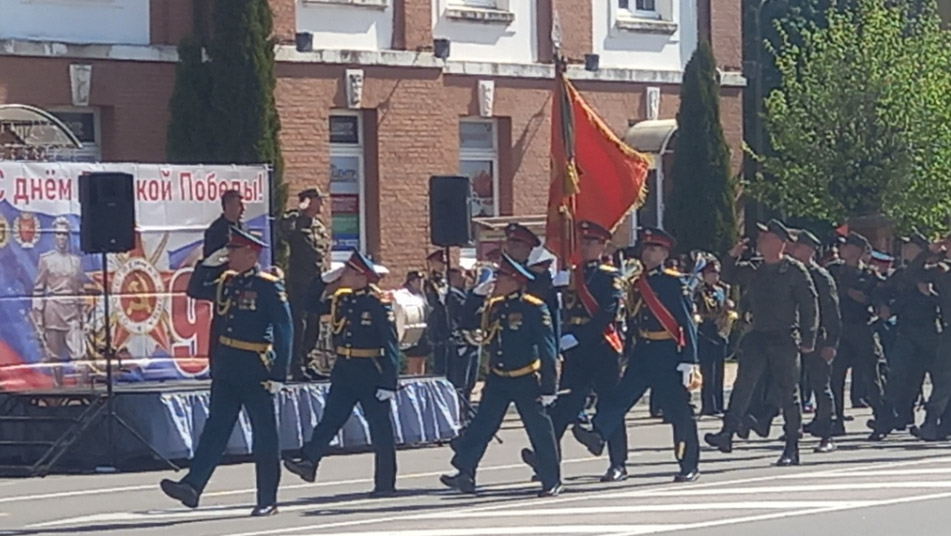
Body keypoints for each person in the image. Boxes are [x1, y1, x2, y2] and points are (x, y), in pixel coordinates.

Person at [160, 228, 292, 517]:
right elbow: (195, 290)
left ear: (251, 254)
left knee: (264, 436)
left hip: (257, 369)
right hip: (228, 367)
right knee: (215, 429)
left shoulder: (267, 286)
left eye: (234, 251)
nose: (228, 255)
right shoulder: (227, 282)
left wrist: (280, 374)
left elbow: (284, 330)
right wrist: (206, 265)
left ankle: (267, 498)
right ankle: (192, 486)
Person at [573, 227, 701, 483]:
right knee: (620, 397)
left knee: (678, 411)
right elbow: (633, 321)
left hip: (667, 354)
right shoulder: (637, 282)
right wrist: (626, 351)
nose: (648, 253)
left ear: (665, 253)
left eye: (654, 249)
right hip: (643, 351)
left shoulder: (674, 282)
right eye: (646, 248)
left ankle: (688, 463)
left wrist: (690, 359)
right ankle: (598, 434)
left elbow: (687, 323)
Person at [440, 253, 562, 497]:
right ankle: (465, 472)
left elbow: (548, 349)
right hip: (498, 377)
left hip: (525, 376)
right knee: (482, 425)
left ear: (516, 281)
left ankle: (551, 478)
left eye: (502, 278)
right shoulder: (494, 307)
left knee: (539, 429)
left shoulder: (534, 308)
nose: (496, 282)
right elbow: (466, 323)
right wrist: (476, 295)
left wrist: (549, 386)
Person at [283, 250, 400, 498]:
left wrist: (389, 381)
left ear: (360, 276)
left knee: (380, 429)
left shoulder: (378, 303)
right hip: (345, 370)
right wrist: (322, 281)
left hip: (370, 370)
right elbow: (310, 304)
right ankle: (309, 461)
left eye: (348, 271)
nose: (343, 275)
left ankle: (385, 483)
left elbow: (391, 344)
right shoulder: (343, 300)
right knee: (330, 419)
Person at [705, 220, 818, 466]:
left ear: (780, 242)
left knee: (789, 392)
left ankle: (791, 445)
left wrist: (809, 338)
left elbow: (809, 305)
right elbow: (728, 276)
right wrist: (731, 256)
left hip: (784, 336)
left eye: (765, 238)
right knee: (743, 385)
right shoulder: (754, 268)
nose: (760, 242)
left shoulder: (794, 271)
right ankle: (727, 433)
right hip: (757, 335)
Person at [524, 221, 629, 483]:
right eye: (583, 242)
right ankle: (545, 460)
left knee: (608, 404)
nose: (585, 246)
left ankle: (618, 462)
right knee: (564, 405)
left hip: (602, 346)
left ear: (603, 246)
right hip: (576, 351)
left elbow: (607, 313)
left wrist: (577, 337)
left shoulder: (610, 276)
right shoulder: (572, 274)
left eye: (592, 243)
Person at [827, 232, 887, 438]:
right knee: (835, 377)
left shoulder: (870, 276)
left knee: (871, 377)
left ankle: (881, 420)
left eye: (848, 246)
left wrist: (867, 300)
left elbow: (878, 300)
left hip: (862, 330)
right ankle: (836, 420)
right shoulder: (833, 271)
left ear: (858, 252)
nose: (843, 249)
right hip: (839, 330)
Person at [789, 229, 841, 453]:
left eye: (797, 246)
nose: (792, 250)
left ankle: (827, 433)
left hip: (819, 339)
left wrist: (831, 343)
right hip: (794, 337)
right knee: (791, 384)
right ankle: (793, 427)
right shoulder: (790, 273)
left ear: (808, 250)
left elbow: (832, 312)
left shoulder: (820, 276)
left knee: (821, 385)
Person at [279, 188, 331, 381]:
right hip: (299, 282)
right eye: (319, 199)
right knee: (299, 324)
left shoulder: (319, 226)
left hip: (317, 282)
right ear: (309, 201)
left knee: (313, 323)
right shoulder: (296, 222)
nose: (322, 203)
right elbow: (283, 230)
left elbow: (321, 253)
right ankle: (296, 365)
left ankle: (309, 361)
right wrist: (297, 211)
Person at [32, 216, 86, 388]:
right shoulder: (46, 259)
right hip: (53, 311)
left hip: (72, 312)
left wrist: (83, 313)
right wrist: (38, 317)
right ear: (54, 236)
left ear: (68, 237)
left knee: (79, 353)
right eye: (58, 234)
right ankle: (58, 389)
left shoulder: (76, 262)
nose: (61, 238)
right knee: (55, 356)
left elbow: (80, 290)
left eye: (64, 235)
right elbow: (38, 288)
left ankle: (83, 390)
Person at [695, 260, 731, 416]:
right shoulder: (699, 291)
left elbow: (724, 307)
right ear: (704, 275)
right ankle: (708, 405)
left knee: (719, 371)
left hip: (720, 331)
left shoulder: (721, 290)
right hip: (706, 331)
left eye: (716, 273)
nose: (714, 277)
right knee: (708, 371)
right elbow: (699, 310)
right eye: (711, 274)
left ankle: (719, 403)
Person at [402, 270, 432, 376]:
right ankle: (412, 380)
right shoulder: (406, 295)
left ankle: (421, 380)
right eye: (417, 281)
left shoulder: (422, 294)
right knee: (414, 359)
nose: (420, 283)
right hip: (413, 329)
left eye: (421, 280)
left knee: (422, 358)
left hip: (424, 328)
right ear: (411, 282)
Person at [203, 189, 246, 257]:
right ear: (228, 206)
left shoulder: (244, 228)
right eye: (240, 205)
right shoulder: (215, 231)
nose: (244, 209)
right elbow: (211, 258)